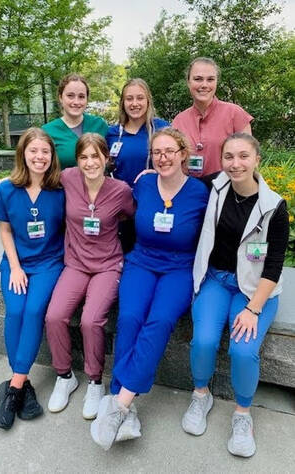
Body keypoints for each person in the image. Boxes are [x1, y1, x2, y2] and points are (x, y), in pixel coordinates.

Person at [90, 127, 209, 450]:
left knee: (159, 321)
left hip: (179, 268)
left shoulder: (201, 191)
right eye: (157, 152)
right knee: (129, 317)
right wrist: (17, 182)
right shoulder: (142, 183)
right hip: (141, 262)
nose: (163, 157)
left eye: (170, 151)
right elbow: (103, 189)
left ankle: (120, 402)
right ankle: (124, 408)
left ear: (183, 154)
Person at [182, 133, 289, 457]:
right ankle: (201, 395)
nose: (235, 163)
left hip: (255, 290)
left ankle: (243, 414)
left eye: (243, 156)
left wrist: (253, 309)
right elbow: (178, 185)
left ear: (257, 158)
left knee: (243, 351)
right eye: (229, 156)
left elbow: (273, 266)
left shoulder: (275, 207)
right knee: (203, 341)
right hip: (215, 280)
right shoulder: (214, 186)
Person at [45, 133, 135, 420]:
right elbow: (36, 176)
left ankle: (95, 381)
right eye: (84, 156)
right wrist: (7, 182)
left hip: (107, 265)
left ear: (106, 158)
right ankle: (64, 375)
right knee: (54, 316)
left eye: (95, 156)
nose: (90, 162)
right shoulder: (69, 178)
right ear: (78, 160)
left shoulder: (120, 189)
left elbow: (130, 214)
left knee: (90, 320)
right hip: (75, 263)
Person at [0, 128, 65, 430]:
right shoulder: (6, 189)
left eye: (45, 152)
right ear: (23, 153)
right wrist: (15, 266)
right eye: (33, 151)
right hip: (16, 263)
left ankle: (14, 387)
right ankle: (24, 382)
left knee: (34, 311)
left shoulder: (60, 189)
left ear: (51, 156)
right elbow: (5, 230)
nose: (39, 157)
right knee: (16, 311)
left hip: (49, 262)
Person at [107, 78, 169, 252]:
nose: (135, 103)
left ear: (148, 100)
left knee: (151, 251)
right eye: (129, 99)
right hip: (122, 207)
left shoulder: (162, 129)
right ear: (123, 103)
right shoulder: (112, 133)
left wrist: (156, 171)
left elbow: (178, 162)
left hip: (153, 202)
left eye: (140, 98)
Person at [172, 57, 253, 177]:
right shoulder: (179, 121)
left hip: (226, 189)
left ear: (216, 82)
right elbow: (173, 160)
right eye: (198, 79)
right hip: (190, 190)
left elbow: (248, 159)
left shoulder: (235, 114)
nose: (204, 85)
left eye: (210, 79)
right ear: (188, 82)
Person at [42, 73, 108, 169]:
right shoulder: (47, 131)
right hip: (61, 184)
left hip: (98, 183)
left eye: (81, 96)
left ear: (87, 99)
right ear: (60, 97)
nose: (76, 102)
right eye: (70, 96)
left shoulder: (99, 125)